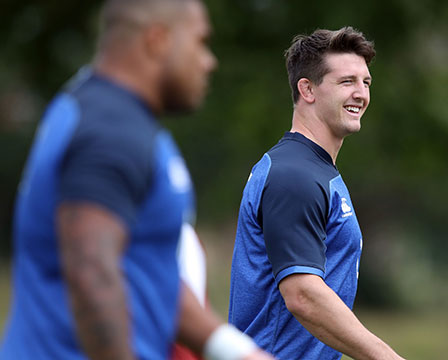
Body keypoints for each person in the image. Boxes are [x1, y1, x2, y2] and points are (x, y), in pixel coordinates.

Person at [0, 0, 272, 359]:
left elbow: (149, 274)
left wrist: (240, 353)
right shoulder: (112, 131)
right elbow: (91, 273)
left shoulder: (106, 113)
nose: (209, 61)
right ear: (157, 40)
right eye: (199, 42)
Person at [228, 27, 404, 359]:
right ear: (307, 89)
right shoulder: (294, 175)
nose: (361, 94)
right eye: (346, 82)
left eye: (366, 83)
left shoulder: (315, 170)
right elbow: (302, 295)